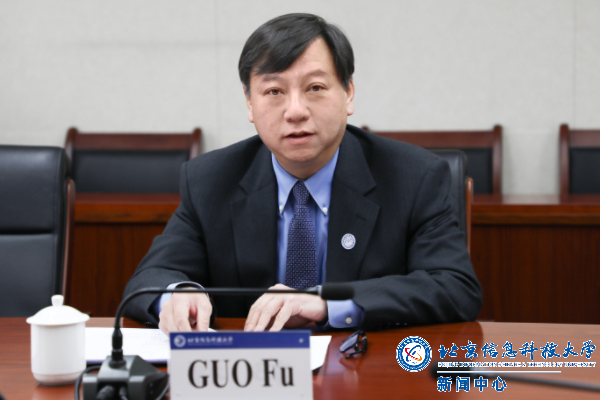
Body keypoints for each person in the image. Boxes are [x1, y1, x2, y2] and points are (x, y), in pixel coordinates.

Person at [123, 13, 482, 334]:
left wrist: (328, 303)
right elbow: (150, 279)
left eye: (315, 88)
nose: (295, 111)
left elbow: (455, 287)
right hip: (252, 371)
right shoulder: (211, 180)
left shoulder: (414, 177)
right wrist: (178, 295)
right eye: (274, 91)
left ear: (348, 93)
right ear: (250, 103)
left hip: (363, 369)